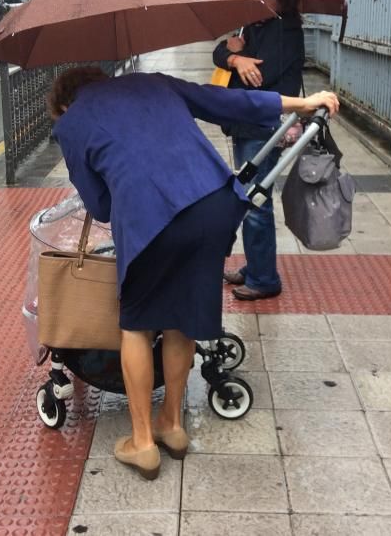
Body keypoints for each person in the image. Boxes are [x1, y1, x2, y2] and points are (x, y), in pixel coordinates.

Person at [49, 68, 338, 480]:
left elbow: (99, 207)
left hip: (153, 223)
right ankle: (172, 423)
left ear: (64, 103)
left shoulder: (72, 123)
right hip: (216, 203)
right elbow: (227, 101)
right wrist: (303, 103)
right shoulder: (152, 83)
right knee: (181, 318)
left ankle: (143, 442)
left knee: (138, 325)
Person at [212, 0, 306, 301]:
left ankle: (265, 278)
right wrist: (233, 55)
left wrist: (234, 58)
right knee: (250, 197)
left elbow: (257, 78)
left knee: (255, 202)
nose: (261, 1)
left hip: (264, 127)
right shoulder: (254, 25)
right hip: (246, 123)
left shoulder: (287, 31)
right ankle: (254, 268)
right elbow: (218, 53)